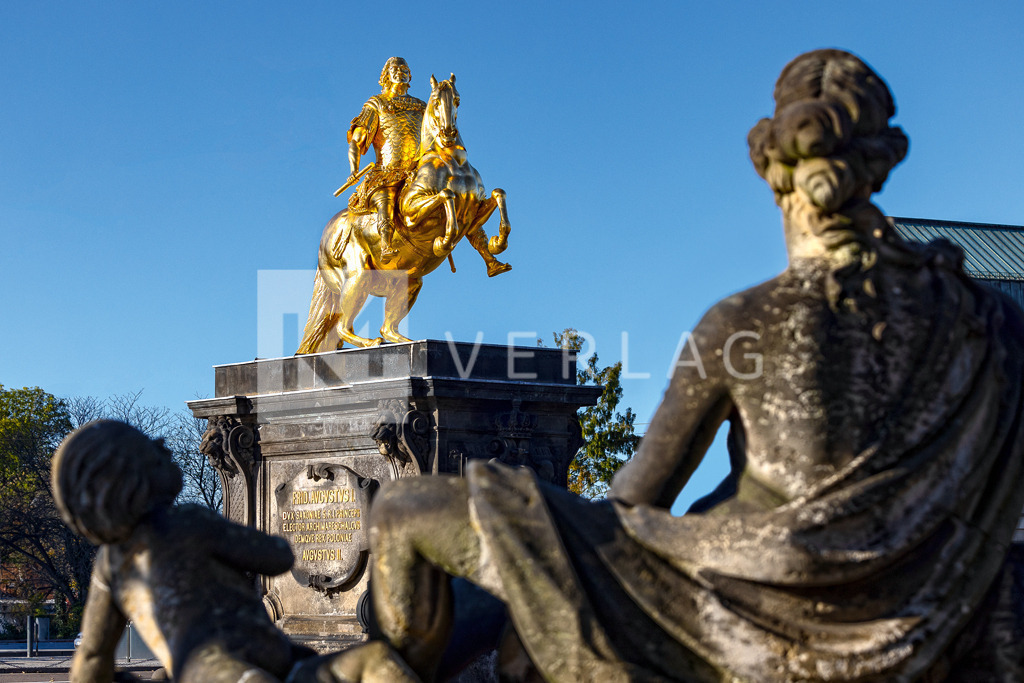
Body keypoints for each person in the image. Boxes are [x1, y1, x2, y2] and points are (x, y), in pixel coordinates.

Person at [331, 50, 1024, 682]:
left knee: (404, 506)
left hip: (737, 612)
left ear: (772, 169)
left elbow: (634, 500)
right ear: (882, 161)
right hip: (922, 616)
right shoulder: (993, 323)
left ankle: (356, 673)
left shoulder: (743, 323)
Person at [53, 420, 314, 683]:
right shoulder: (189, 522)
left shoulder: (110, 563)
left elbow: (92, 656)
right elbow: (279, 557)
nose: (165, 449)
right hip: (231, 663)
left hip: (208, 669)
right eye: (152, 449)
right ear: (132, 474)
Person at [346, 57, 426, 262]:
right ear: (386, 76)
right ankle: (385, 244)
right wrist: (354, 169)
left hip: (418, 173)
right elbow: (357, 141)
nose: (400, 72)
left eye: (405, 69)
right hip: (387, 173)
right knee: (385, 198)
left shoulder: (421, 107)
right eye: (395, 69)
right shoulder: (376, 104)